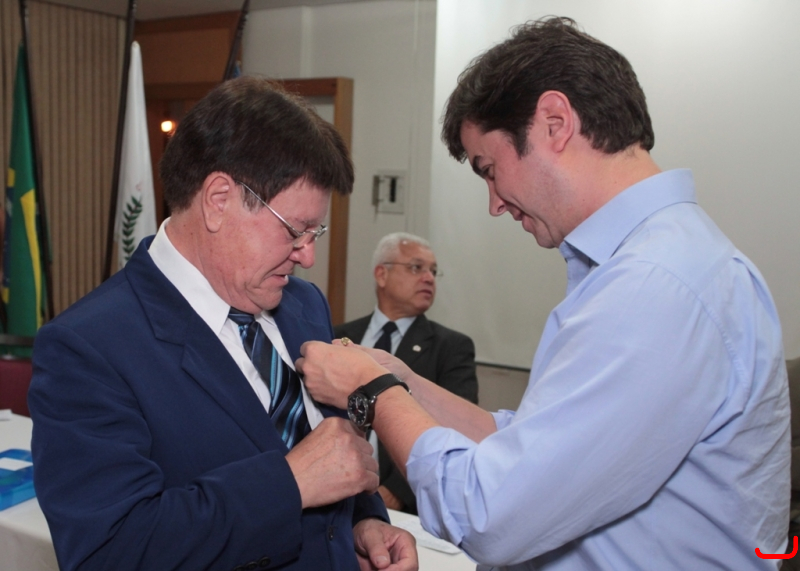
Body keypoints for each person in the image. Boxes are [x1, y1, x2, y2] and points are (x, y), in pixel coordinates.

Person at [297, 17, 790, 570]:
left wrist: (373, 390)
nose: (494, 204)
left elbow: (490, 513)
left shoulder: (654, 286)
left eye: (490, 170)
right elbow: (531, 448)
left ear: (555, 123)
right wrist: (403, 380)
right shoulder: (661, 266)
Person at [28, 77, 417, 571]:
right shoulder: (88, 348)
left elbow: (331, 452)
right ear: (218, 200)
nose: (308, 256)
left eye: (314, 232)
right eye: (295, 231)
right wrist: (290, 483)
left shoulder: (303, 305)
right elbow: (111, 552)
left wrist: (363, 521)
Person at [335, 232, 478, 514]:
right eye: (416, 267)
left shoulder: (451, 347)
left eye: (433, 271)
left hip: (406, 507)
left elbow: (455, 430)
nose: (429, 278)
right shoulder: (341, 336)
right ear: (382, 275)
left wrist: (395, 494)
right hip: (336, 492)